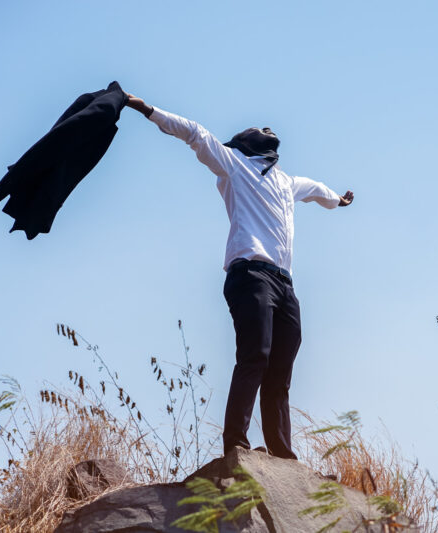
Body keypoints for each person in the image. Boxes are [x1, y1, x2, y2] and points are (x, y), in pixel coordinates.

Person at [125, 93, 354, 459]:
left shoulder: (285, 182)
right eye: (256, 129)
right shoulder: (235, 165)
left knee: (280, 370)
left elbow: (314, 189)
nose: (266, 127)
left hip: (284, 284)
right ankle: (236, 442)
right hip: (250, 275)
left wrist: (337, 200)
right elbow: (195, 133)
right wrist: (147, 110)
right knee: (255, 355)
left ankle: (282, 452)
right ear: (245, 144)